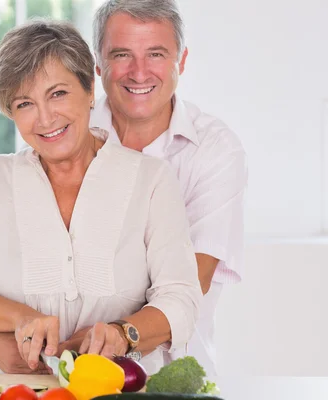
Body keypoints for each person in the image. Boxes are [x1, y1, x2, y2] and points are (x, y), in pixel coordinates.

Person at [0, 19, 202, 376]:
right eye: (24, 103)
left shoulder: (150, 180)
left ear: (90, 89)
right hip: (11, 387)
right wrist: (22, 318)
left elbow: (181, 299)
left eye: (58, 93)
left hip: (118, 386)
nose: (45, 118)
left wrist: (123, 334)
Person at [88, 0, 247, 376]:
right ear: (98, 64)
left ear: (182, 60)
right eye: (122, 54)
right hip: (71, 371)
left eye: (156, 54)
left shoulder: (216, 149)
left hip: (173, 374)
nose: (139, 72)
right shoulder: (66, 135)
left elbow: (192, 280)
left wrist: (112, 332)